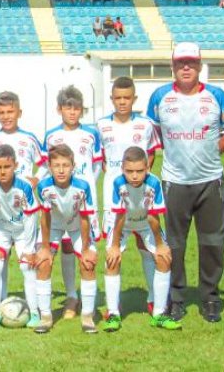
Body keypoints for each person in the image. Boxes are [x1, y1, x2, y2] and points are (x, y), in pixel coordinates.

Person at [147, 42, 224, 323]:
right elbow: (152, 139)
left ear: (200, 66)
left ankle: (210, 297)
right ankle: (175, 298)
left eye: (191, 63)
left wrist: (212, 152)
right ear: (173, 67)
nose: (185, 68)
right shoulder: (160, 96)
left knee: (212, 242)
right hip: (174, 182)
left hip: (210, 181)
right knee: (173, 243)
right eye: (180, 63)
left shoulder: (216, 96)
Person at [96, 77, 161, 314]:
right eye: (118, 98)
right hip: (113, 201)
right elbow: (99, 160)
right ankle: (114, 307)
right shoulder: (101, 126)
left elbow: (151, 155)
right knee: (113, 251)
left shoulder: (145, 125)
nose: (122, 102)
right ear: (112, 99)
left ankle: (154, 299)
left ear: (134, 99)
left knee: (147, 247)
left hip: (142, 197)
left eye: (127, 98)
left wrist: (140, 177)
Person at [102, 147, 181, 332]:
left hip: (146, 221)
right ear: (122, 169)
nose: (135, 176)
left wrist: (160, 246)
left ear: (147, 168)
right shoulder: (118, 183)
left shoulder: (154, 183)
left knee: (163, 258)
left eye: (139, 171)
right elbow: (119, 216)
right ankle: (113, 313)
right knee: (112, 261)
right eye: (130, 171)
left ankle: (159, 314)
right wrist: (114, 246)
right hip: (123, 222)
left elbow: (154, 216)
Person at [41, 86, 102, 321]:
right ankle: (71, 296)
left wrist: (83, 189)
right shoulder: (52, 136)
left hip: (84, 202)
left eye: (77, 108)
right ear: (59, 109)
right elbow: (49, 166)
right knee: (65, 246)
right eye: (68, 108)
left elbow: (96, 166)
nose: (73, 112)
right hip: (59, 203)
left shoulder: (91, 134)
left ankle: (87, 305)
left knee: (85, 250)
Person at [34, 144, 98, 334]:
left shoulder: (82, 186)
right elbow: (44, 217)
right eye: (56, 166)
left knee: (88, 264)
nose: (61, 170)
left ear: (73, 166)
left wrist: (86, 249)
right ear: (49, 167)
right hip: (54, 225)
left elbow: (86, 218)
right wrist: (45, 248)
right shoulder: (44, 186)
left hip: (77, 226)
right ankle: (45, 317)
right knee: (43, 262)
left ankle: (87, 316)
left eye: (65, 165)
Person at [0, 145, 41, 329]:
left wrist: (30, 250)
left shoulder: (24, 186)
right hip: (2, 230)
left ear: (15, 165)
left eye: (7, 167)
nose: (2, 171)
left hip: (24, 231)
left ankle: (34, 312)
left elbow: (31, 217)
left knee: (27, 267)